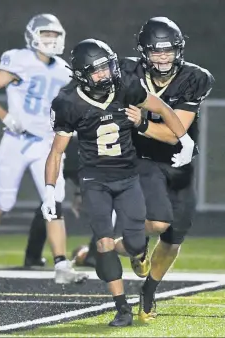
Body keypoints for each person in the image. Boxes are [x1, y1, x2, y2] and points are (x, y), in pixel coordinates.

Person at [41, 38, 195, 327]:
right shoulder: (67, 102)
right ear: (81, 75)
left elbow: (161, 107)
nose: (105, 75)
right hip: (94, 179)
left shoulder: (125, 86)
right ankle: (121, 307)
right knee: (104, 242)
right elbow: (56, 151)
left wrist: (184, 140)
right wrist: (49, 191)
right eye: (96, 71)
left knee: (136, 243)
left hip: (127, 176)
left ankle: (133, 255)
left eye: (107, 67)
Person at [70, 16, 215, 323]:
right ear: (143, 52)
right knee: (160, 222)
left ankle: (148, 290)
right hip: (140, 160)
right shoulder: (126, 69)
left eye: (168, 50)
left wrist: (143, 122)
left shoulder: (195, 78)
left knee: (174, 238)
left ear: (179, 50)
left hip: (179, 163)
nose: (163, 57)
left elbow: (177, 131)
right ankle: (127, 247)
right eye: (156, 51)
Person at [0, 13, 88, 285]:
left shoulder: (63, 70)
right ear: (33, 36)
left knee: (53, 203)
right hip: (16, 141)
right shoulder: (18, 59)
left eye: (55, 35)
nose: (51, 40)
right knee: (3, 203)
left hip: (46, 144)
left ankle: (61, 267)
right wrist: (6, 117)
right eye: (46, 34)